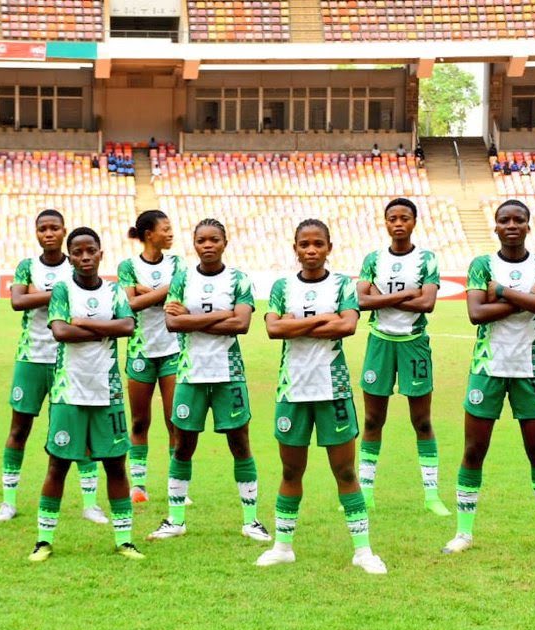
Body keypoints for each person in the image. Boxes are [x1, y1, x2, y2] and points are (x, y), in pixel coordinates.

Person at [442, 199, 535, 557]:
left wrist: (502, 292)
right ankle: (463, 533)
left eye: (518, 220)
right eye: (504, 220)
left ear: (528, 226)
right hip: (487, 370)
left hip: (529, 370)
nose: (511, 225)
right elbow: (476, 313)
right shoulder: (482, 265)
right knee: (473, 450)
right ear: (495, 227)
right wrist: (528, 298)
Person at [256, 219, 387, 574]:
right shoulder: (282, 286)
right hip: (292, 390)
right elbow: (272, 328)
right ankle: (283, 546)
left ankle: (363, 551)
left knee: (345, 472)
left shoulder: (343, 285)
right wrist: (320, 320)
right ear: (295, 248)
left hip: (334, 391)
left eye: (317, 244)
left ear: (329, 247)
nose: (311, 250)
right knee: (290, 469)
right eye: (304, 244)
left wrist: (295, 324)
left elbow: (347, 325)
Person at [148, 218, 271, 543]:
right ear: (195, 244)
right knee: (183, 445)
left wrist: (193, 319)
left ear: (224, 242)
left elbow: (241, 324)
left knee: (240, 443)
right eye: (201, 240)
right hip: (190, 374)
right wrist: (221, 316)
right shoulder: (182, 279)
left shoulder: (238, 280)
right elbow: (172, 325)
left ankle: (251, 521)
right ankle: (175, 520)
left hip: (228, 375)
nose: (207, 245)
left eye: (214, 239)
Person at [29, 227, 143, 562]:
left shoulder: (114, 291)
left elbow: (128, 327)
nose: (84, 257)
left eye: (90, 250)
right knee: (58, 466)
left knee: (116, 466)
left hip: (107, 393)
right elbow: (61, 331)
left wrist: (85, 324)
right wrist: (100, 328)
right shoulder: (63, 289)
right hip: (69, 391)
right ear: (71, 257)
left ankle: (124, 540)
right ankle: (43, 540)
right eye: (77, 252)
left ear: (100, 253)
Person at [0, 210, 108, 524]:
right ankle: (8, 501)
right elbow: (17, 302)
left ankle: (90, 503)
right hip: (31, 357)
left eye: (54, 228)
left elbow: (79, 302)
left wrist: (36, 295)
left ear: (63, 231)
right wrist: (51, 295)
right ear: (36, 233)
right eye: (42, 229)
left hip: (68, 361)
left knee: (80, 432)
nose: (48, 233)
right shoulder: (27, 266)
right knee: (19, 429)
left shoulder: (77, 267)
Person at [355, 198, 449, 516]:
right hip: (380, 344)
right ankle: (365, 494)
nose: (398, 223)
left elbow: (428, 304)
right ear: (385, 222)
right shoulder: (373, 259)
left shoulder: (426, 259)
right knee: (372, 420)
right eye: (392, 218)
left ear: (414, 222)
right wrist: (407, 294)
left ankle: (432, 495)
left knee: (422, 421)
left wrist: (385, 299)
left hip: (414, 344)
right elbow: (361, 301)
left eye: (404, 218)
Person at [117, 210, 185, 504]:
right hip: (140, 351)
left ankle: (176, 487)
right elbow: (129, 305)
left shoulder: (178, 263)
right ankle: (139, 485)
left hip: (172, 350)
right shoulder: (128, 266)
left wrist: (148, 293)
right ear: (149, 234)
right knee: (139, 421)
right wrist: (165, 291)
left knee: (175, 421)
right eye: (165, 229)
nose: (171, 234)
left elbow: (180, 300)